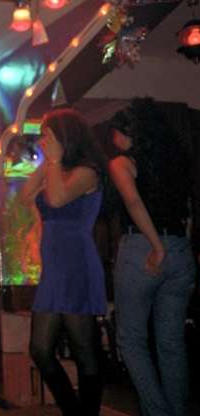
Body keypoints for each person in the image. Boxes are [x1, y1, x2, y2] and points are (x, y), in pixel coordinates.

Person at [107, 97, 195, 416]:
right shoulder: (173, 163)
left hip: (142, 248)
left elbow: (133, 202)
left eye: (115, 132)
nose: (112, 138)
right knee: (171, 342)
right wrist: (177, 245)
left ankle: (157, 412)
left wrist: (157, 247)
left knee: (131, 340)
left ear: (127, 132)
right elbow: (189, 210)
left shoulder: (121, 163)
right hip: (180, 249)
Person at [20, 108, 107, 416]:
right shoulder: (56, 168)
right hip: (55, 267)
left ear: (64, 137)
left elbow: (56, 200)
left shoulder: (87, 172)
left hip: (76, 264)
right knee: (40, 350)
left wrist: (54, 161)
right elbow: (26, 195)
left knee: (83, 348)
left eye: (47, 135)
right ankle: (73, 410)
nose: (42, 141)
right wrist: (50, 162)